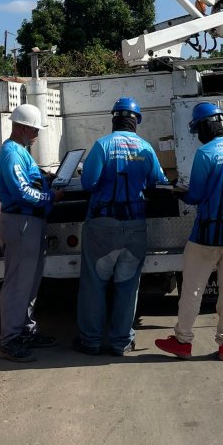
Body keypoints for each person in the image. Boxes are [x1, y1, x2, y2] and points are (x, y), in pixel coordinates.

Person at [155, 102, 223, 362]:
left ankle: (183, 341)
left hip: (207, 234)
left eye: (198, 128)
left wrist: (178, 191)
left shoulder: (206, 154)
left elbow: (196, 195)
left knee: (193, 289)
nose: (198, 134)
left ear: (206, 125)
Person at [73, 96, 168, 357]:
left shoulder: (102, 145)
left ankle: (91, 341)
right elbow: (157, 182)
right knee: (128, 285)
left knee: (94, 283)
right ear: (136, 121)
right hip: (135, 225)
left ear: (114, 119)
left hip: (102, 225)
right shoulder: (146, 148)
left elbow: (88, 184)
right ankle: (121, 342)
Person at [0, 102, 63, 363]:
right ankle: (10, 340)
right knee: (17, 284)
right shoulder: (12, 153)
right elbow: (22, 191)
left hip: (28, 222)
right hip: (20, 222)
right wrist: (50, 196)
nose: (36, 135)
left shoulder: (20, 151)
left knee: (29, 283)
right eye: (34, 130)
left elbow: (30, 182)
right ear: (22, 128)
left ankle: (25, 330)